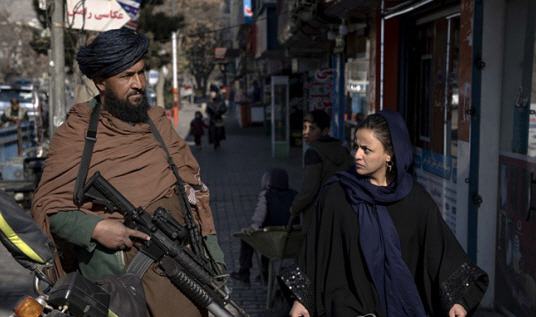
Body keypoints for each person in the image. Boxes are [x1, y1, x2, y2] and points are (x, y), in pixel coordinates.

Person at [31, 28, 225, 317]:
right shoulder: (77, 134)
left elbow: (195, 196)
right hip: (116, 292)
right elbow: (50, 209)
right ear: (101, 83)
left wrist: (216, 263)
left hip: (180, 280)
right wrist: (96, 229)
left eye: (141, 73)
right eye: (126, 76)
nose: (138, 84)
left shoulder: (159, 125)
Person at [281, 109, 489, 317]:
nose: (357, 155)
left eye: (366, 149)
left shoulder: (414, 198)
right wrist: (302, 300)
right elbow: (316, 249)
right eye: (356, 147)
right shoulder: (337, 194)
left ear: (390, 153)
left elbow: (440, 252)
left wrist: (455, 301)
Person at [290, 110, 354, 232]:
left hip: (318, 214)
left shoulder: (313, 153)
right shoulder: (342, 150)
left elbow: (309, 188)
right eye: (304, 128)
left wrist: (295, 207)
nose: (306, 133)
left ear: (324, 131)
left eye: (312, 129)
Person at [231, 168, 298, 284]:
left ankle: (244, 272)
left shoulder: (267, 195)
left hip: (272, 238)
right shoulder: (295, 195)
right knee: (268, 237)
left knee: (250, 238)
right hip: (291, 239)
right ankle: (265, 273)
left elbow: (259, 216)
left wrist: (252, 228)